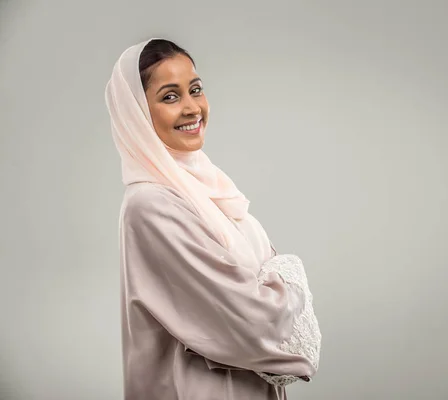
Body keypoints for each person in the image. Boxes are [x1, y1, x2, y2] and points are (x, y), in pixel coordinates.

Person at [104, 37, 321, 400]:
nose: (192, 108)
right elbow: (251, 319)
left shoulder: (208, 189)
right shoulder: (151, 205)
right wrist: (292, 280)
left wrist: (276, 287)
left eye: (195, 90)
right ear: (137, 112)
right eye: (170, 97)